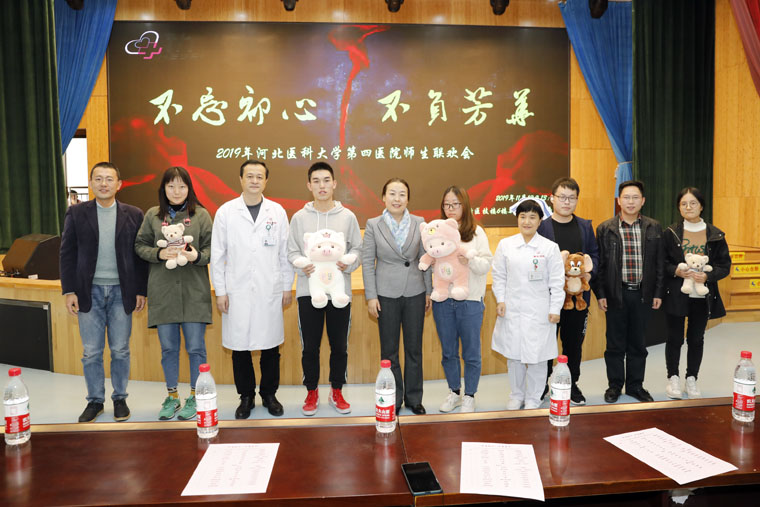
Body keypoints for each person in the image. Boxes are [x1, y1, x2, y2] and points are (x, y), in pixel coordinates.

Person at [59, 162, 148, 423]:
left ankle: (120, 398)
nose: (104, 184)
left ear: (119, 184)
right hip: (88, 291)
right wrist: (69, 290)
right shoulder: (76, 213)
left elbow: (140, 256)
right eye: (98, 179)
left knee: (120, 349)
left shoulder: (134, 214)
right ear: (90, 183)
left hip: (123, 291)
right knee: (91, 351)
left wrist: (141, 290)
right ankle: (95, 401)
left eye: (109, 179)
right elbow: (67, 252)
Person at [211, 160, 293, 418]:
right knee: (240, 347)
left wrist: (286, 286)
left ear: (266, 181)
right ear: (241, 179)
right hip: (236, 289)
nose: (254, 181)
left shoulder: (277, 211)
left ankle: (269, 395)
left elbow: (285, 252)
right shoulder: (226, 212)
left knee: (270, 346)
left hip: (270, 287)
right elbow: (218, 254)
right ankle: (246, 397)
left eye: (259, 176)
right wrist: (220, 291)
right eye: (250, 176)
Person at [135, 166, 213, 421]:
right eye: (171, 186)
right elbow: (139, 245)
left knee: (196, 348)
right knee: (168, 349)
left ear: (189, 188)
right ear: (164, 189)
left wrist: (197, 256)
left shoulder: (201, 215)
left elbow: (213, 250)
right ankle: (172, 397)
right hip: (163, 291)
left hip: (194, 292)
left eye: (182, 186)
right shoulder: (152, 215)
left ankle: (195, 396)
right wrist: (159, 253)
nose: (177, 191)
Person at [287, 162, 362, 416]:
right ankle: (311, 391)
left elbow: (357, 249)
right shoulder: (299, 218)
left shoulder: (347, 217)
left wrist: (348, 264)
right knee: (310, 346)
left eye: (326, 180)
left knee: (339, 345)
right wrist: (304, 267)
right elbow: (292, 251)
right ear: (309, 185)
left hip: (339, 292)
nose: (322, 186)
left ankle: (336, 391)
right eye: (316, 181)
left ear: (334, 184)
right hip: (309, 292)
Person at [362, 178, 432, 416]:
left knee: (414, 349)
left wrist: (429, 291)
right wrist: (371, 296)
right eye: (392, 193)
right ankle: (394, 398)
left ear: (408, 199)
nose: (397, 199)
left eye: (402, 194)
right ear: (383, 197)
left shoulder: (419, 223)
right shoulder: (373, 224)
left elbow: (425, 259)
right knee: (389, 351)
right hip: (386, 294)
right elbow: (367, 262)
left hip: (415, 291)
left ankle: (414, 398)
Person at [593, 180, 664, 403]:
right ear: (619, 200)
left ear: (642, 201)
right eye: (626, 197)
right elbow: (600, 265)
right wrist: (601, 294)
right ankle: (614, 386)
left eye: (635, 197)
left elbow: (660, 263)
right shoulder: (605, 228)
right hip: (616, 293)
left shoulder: (654, 227)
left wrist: (658, 292)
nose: (630, 202)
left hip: (643, 294)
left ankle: (635, 386)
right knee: (614, 343)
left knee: (638, 344)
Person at [492, 198, 565, 410]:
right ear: (517, 219)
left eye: (532, 217)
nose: (527, 221)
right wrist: (500, 299)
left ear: (540, 221)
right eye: (523, 216)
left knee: (537, 357)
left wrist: (555, 309)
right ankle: (516, 395)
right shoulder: (506, 245)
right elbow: (499, 276)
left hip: (539, 311)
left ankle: (534, 397)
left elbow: (557, 281)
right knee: (514, 356)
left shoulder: (549, 248)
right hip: (512, 309)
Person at [662, 187, 731, 399]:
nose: (688, 207)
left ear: (701, 206)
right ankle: (673, 378)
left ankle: (691, 378)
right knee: (674, 338)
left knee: (696, 339)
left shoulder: (715, 234)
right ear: (678, 207)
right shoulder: (671, 232)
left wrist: (708, 276)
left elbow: (724, 266)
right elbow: (662, 262)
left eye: (693, 203)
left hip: (702, 297)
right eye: (683, 204)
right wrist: (676, 270)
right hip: (677, 293)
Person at [536, 177, 599, 405]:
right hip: (548, 299)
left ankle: (571, 384)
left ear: (576, 200)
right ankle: (541, 385)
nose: (566, 202)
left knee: (573, 344)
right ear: (552, 199)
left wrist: (589, 275)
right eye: (562, 197)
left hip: (577, 298)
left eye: (571, 198)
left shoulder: (585, 226)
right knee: (545, 344)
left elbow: (595, 254)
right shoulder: (542, 227)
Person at [433, 186, 493, 413]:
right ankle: (454, 392)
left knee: (471, 352)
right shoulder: (436, 232)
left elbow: (486, 264)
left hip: (470, 301)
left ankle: (470, 395)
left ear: (465, 205)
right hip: (443, 301)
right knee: (448, 351)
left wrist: (470, 261)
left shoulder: (477, 232)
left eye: (455, 204)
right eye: (447, 204)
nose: (450, 209)